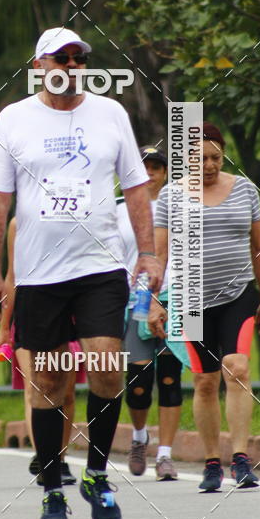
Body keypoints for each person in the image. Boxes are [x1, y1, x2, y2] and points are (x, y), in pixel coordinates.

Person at [0, 27, 161, 519]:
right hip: (40, 272)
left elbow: (137, 188)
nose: (70, 66)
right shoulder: (13, 120)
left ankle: (97, 475)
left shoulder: (110, 114)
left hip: (100, 266)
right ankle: (51, 487)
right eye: (60, 58)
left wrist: (147, 253)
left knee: (107, 368)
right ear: (39, 65)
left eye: (79, 58)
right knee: (49, 380)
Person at [151, 122, 260, 491]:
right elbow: (158, 254)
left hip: (238, 294)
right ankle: (211, 462)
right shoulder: (171, 197)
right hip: (188, 298)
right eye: (199, 158)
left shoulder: (245, 189)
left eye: (215, 157)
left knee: (236, 367)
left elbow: (259, 247)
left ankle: (240, 457)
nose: (208, 164)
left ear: (223, 154)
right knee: (205, 381)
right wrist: (154, 302)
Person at [0, 217, 80, 486]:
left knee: (65, 391)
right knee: (37, 388)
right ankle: (45, 457)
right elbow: (12, 277)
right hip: (30, 314)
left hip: (71, 313)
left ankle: (61, 459)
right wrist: (5, 327)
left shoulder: (75, 217)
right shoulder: (18, 224)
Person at [117, 146, 183, 481]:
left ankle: (166, 456)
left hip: (176, 297)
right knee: (139, 381)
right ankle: (140, 437)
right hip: (137, 300)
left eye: (157, 166)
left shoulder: (182, 208)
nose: (151, 172)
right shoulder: (118, 210)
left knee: (170, 376)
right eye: (144, 167)